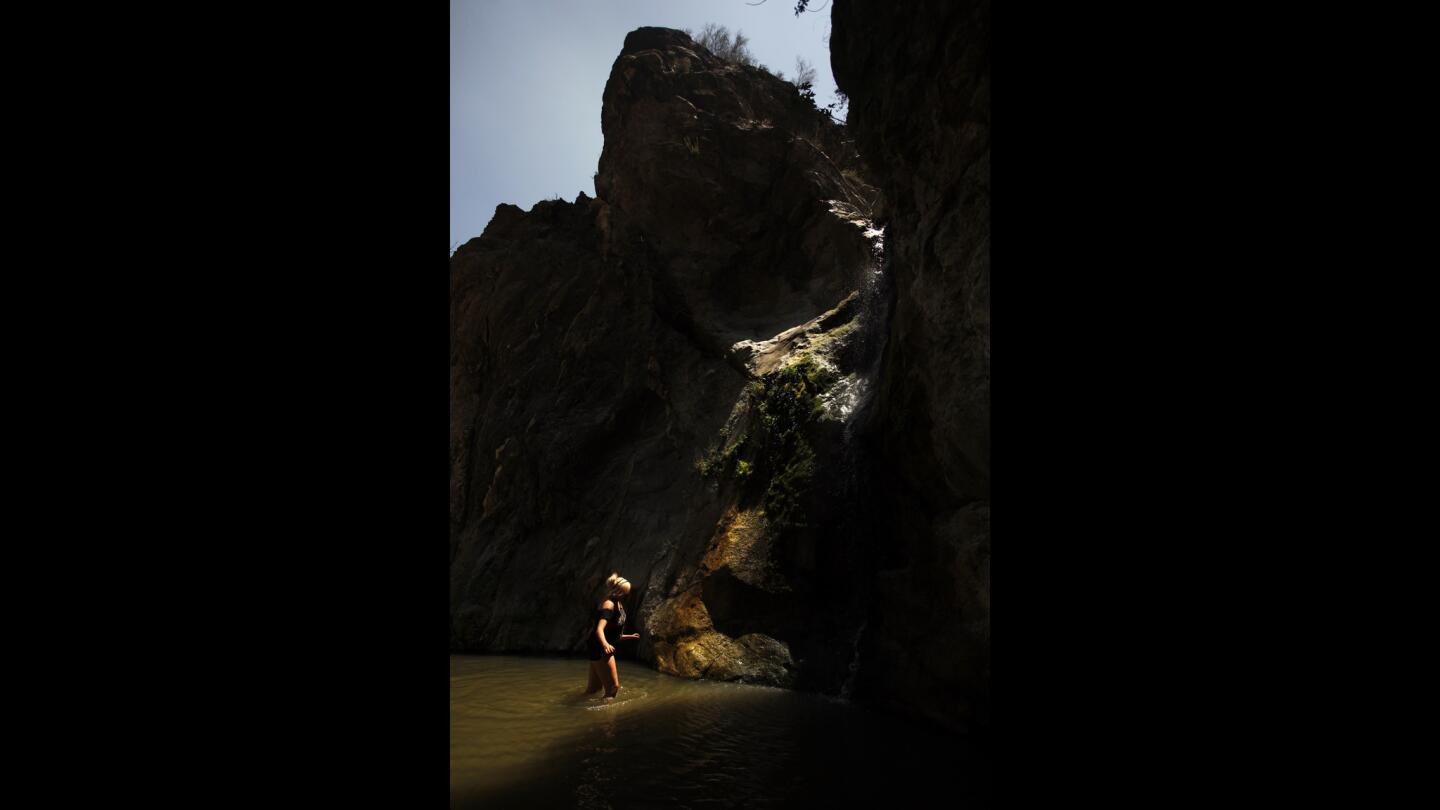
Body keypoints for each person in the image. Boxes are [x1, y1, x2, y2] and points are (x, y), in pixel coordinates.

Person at [584, 573, 640, 699]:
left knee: (594, 690)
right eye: (625, 593)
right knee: (613, 688)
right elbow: (599, 629)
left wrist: (629, 636)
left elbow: (613, 634)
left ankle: (576, 710)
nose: (627, 595)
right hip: (600, 647)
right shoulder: (609, 604)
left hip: (598, 645)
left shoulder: (618, 604)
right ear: (618, 591)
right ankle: (606, 718)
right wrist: (605, 644)